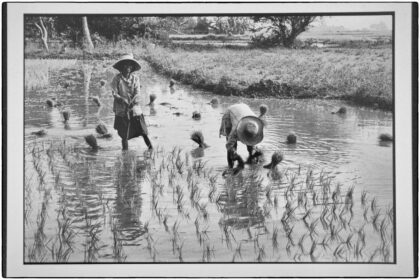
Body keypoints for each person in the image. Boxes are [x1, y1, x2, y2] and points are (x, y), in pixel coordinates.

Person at [111, 54, 153, 151]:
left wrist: (133, 101)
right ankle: (125, 154)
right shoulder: (117, 79)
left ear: (132, 67)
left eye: (129, 65)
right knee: (124, 135)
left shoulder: (135, 78)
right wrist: (122, 99)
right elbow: (114, 93)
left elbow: (137, 92)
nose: (127, 67)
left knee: (143, 132)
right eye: (125, 65)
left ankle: (151, 150)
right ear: (121, 67)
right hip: (121, 110)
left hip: (135, 109)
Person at [219, 103, 264, 173]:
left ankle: (252, 162)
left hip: (244, 110)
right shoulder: (235, 129)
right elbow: (229, 145)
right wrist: (237, 157)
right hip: (231, 113)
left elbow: (252, 138)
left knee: (251, 147)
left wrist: (253, 152)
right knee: (233, 146)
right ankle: (230, 167)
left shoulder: (255, 124)